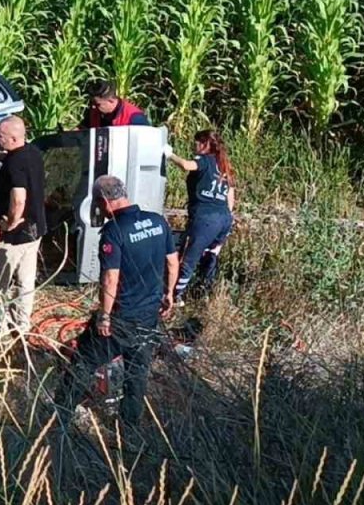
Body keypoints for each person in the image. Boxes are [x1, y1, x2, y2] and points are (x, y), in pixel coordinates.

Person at [59, 175, 178, 427]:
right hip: (149, 315)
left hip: (121, 318)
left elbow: (111, 278)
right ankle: (129, 425)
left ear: (103, 200)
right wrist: (169, 294)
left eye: (98, 204)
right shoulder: (157, 221)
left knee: (83, 362)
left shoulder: (114, 230)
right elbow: (172, 261)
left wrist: (104, 315)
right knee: (137, 373)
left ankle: (60, 414)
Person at [0, 116, 46, 342]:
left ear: (13, 138)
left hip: (15, 236)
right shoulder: (31, 152)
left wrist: (10, 223)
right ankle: (22, 324)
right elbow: (10, 159)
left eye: (0, 137)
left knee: (0, 282)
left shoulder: (14, 164)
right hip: (35, 229)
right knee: (26, 281)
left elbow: (19, 199)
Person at [165, 129, 235, 305]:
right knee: (210, 256)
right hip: (224, 219)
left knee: (188, 258)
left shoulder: (204, 160)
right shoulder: (224, 165)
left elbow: (187, 166)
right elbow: (231, 193)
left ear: (204, 145)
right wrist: (227, 216)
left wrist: (170, 154)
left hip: (205, 219)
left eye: (196, 143)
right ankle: (205, 293)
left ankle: (174, 296)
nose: (194, 146)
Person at [80, 79, 151, 128]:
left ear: (111, 101)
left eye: (98, 104)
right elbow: (83, 128)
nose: (93, 107)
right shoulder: (95, 112)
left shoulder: (135, 118)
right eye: (93, 103)